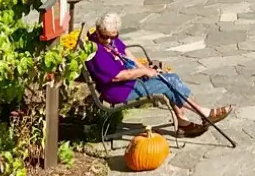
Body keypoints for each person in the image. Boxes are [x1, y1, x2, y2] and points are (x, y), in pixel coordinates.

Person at [86, 12, 233, 136]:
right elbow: (118, 76)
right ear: (98, 30)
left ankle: (184, 121)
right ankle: (203, 114)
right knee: (169, 83)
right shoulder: (96, 50)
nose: (110, 40)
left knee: (170, 78)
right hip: (119, 90)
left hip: (130, 81)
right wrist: (144, 71)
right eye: (106, 37)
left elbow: (125, 52)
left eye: (114, 36)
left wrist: (143, 67)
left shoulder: (108, 37)